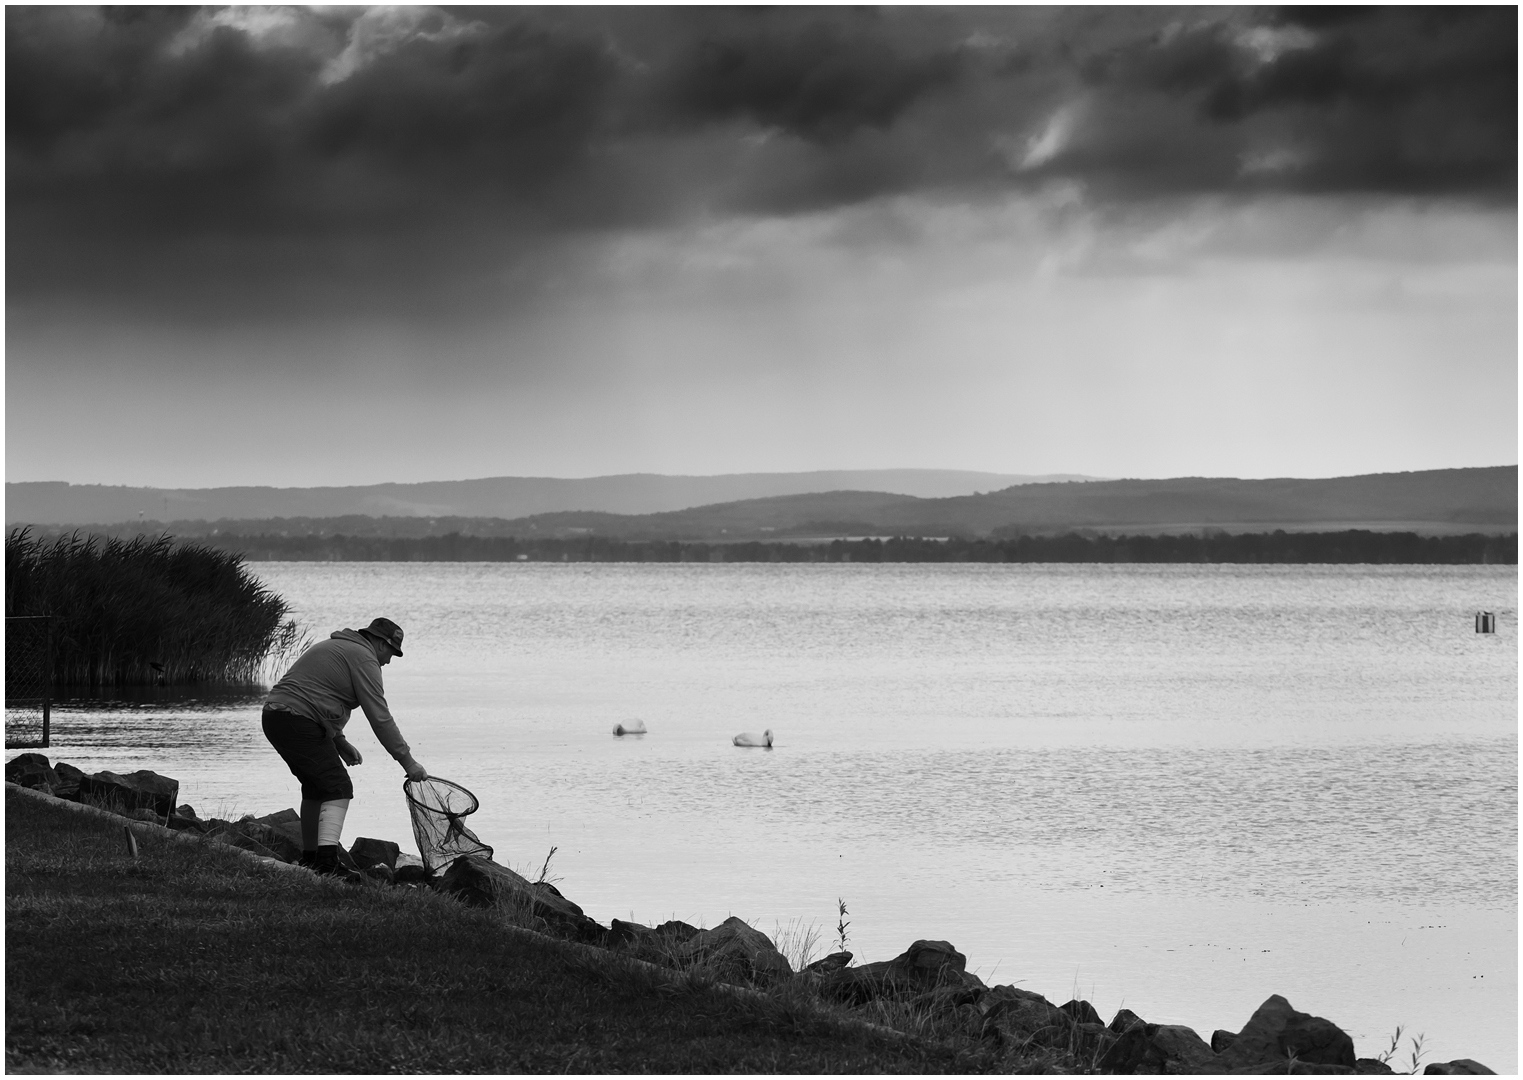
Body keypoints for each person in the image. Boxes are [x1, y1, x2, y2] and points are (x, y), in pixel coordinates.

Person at [261, 617, 428, 881]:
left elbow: (318, 693)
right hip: (295, 718)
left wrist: (338, 741)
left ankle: (312, 858)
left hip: (277, 716)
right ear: (380, 642)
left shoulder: (341, 646)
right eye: (390, 653)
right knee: (337, 787)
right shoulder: (364, 658)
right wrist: (408, 763)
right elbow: (380, 718)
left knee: (316, 787)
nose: (388, 661)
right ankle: (327, 865)